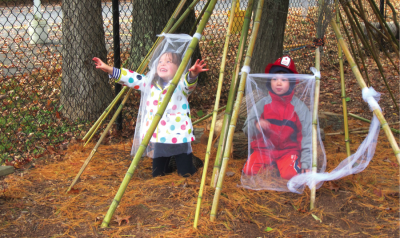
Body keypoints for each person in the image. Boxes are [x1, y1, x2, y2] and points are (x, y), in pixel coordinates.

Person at [93, 50, 208, 178]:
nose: (162, 64)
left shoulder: (181, 84)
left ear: (179, 68)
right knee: (157, 174)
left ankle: (192, 162)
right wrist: (109, 69)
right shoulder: (150, 83)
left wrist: (193, 74)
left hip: (178, 136)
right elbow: (132, 78)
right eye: (160, 61)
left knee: (186, 173)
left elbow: (189, 84)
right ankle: (170, 162)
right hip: (159, 136)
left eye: (168, 61)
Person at [242, 56, 311, 180]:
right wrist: (256, 125)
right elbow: (246, 129)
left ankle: (286, 165)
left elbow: (307, 136)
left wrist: (306, 162)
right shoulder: (262, 105)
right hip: (264, 151)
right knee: (249, 171)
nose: (278, 83)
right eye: (274, 79)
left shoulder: (299, 108)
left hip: (288, 151)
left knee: (291, 175)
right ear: (269, 81)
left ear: (291, 82)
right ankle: (273, 165)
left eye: (284, 79)